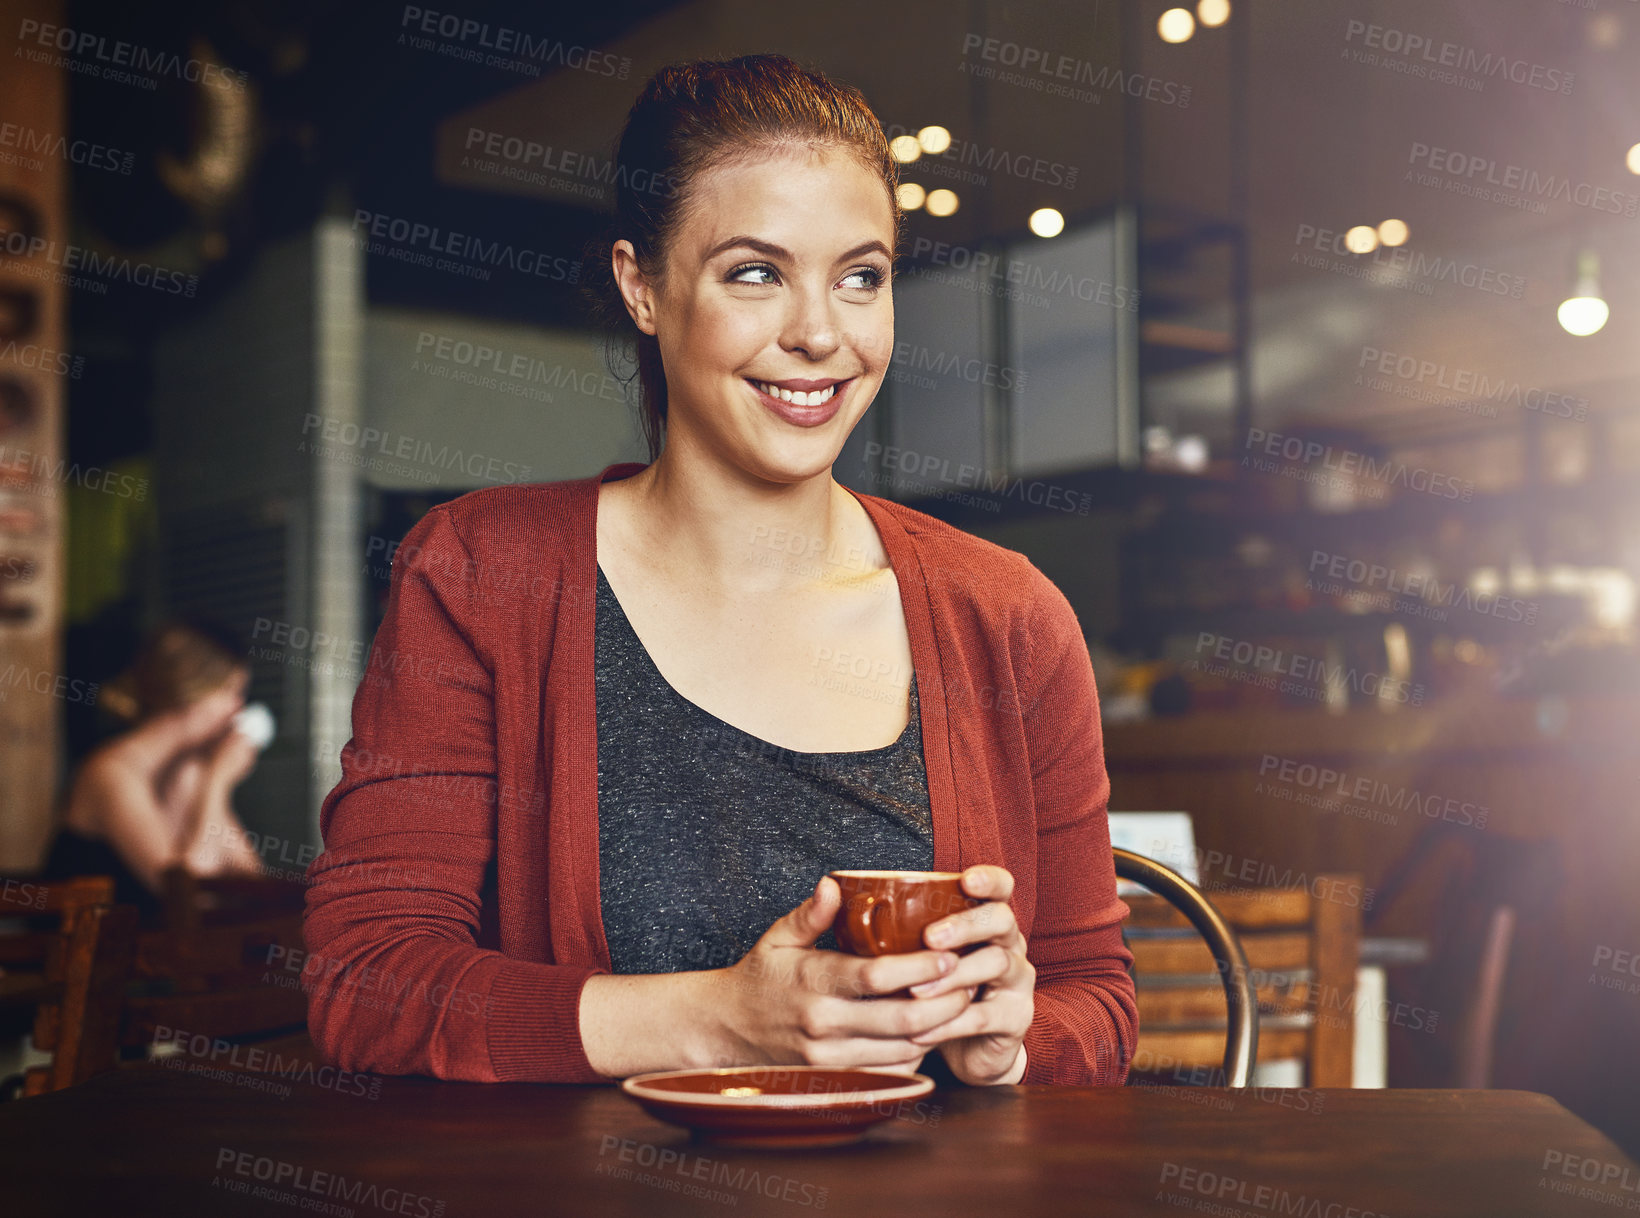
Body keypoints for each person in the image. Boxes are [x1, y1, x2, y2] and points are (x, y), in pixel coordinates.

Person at [302, 54, 1136, 1087]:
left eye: (860, 278)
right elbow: (367, 986)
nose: (819, 333)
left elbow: (1093, 994)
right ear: (640, 287)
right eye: (754, 272)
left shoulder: (1007, 614)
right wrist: (717, 1020)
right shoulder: (482, 571)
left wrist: (1007, 1042)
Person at [41, 621, 266, 915]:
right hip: (78, 956)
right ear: (193, 694)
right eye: (231, 692)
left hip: (153, 953)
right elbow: (187, 898)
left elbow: (251, 876)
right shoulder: (111, 772)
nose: (238, 709)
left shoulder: (188, 769)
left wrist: (209, 781)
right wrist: (217, 782)